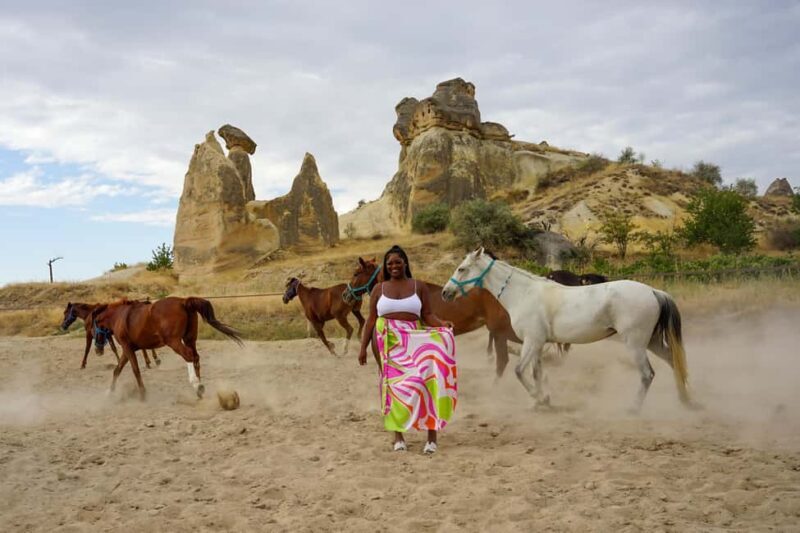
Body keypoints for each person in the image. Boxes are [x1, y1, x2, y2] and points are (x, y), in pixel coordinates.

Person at [358, 245, 457, 454]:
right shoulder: (378, 289)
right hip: (388, 343)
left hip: (415, 341)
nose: (394, 266)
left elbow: (427, 315)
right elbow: (371, 320)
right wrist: (363, 348)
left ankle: (431, 437)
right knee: (393, 388)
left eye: (397, 262)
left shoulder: (418, 286)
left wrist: (442, 324)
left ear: (405, 263)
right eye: (389, 263)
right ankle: (398, 437)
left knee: (427, 383)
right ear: (386, 266)